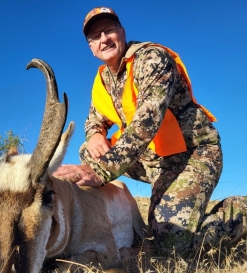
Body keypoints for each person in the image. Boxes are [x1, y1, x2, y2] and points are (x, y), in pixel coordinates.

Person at [53, 6, 247, 258]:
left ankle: (240, 212)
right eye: (95, 36)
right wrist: (94, 135)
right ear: (90, 46)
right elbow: (94, 120)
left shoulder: (151, 58)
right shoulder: (103, 80)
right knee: (86, 151)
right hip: (154, 160)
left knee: (171, 246)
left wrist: (100, 171)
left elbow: (147, 120)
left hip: (193, 155)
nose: (104, 39)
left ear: (122, 32)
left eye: (109, 30)